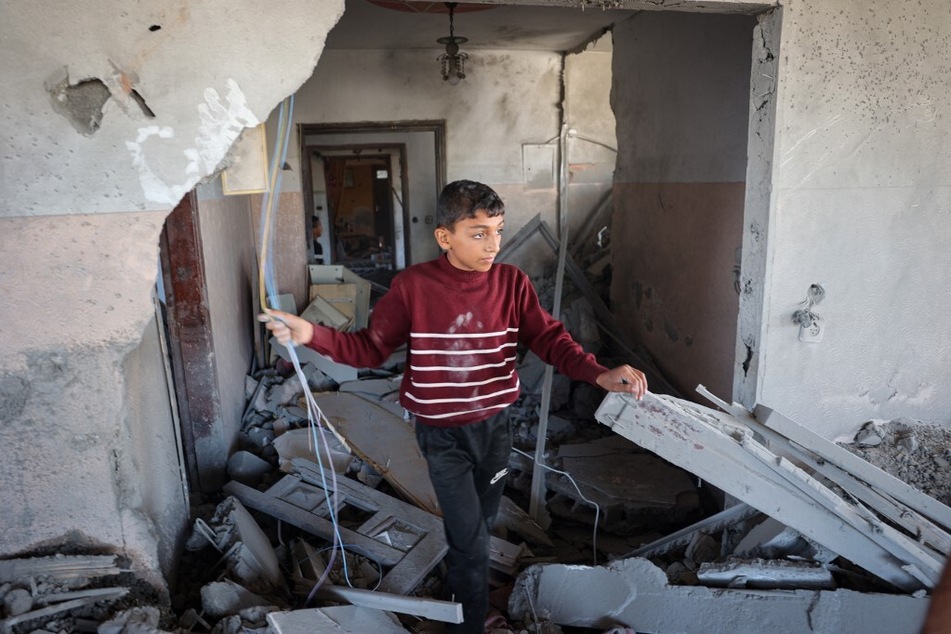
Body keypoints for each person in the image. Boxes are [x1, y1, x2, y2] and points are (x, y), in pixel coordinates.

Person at [261, 180, 647, 633]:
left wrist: (595, 372)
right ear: (446, 237)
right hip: (440, 434)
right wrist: (312, 335)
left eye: (499, 231)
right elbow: (370, 349)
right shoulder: (413, 287)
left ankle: (458, 597)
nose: (493, 245)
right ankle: (470, 623)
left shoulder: (511, 283)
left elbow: (548, 338)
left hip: (496, 431)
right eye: (479, 232)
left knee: (478, 530)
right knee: (468, 539)